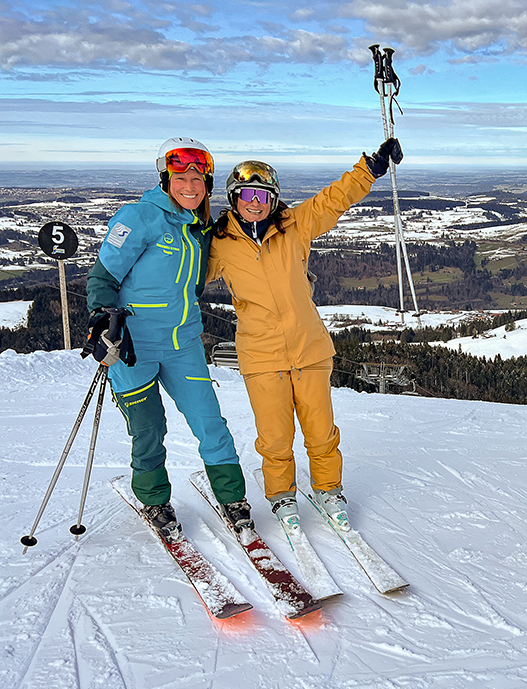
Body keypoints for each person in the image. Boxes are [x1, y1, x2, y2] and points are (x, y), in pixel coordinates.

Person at [207, 138, 403, 531]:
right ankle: (282, 496)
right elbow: (179, 275)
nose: (255, 201)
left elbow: (333, 200)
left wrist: (371, 167)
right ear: (233, 197)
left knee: (321, 432)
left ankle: (329, 490)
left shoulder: (295, 227)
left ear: (273, 198)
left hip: (309, 349)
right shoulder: (217, 244)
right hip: (261, 357)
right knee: (275, 438)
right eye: (246, 193)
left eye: (263, 194)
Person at [86, 137, 250, 538]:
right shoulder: (139, 218)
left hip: (185, 347)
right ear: (166, 178)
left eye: (198, 178)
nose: (190, 186)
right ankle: (155, 501)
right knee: (149, 430)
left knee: (210, 423)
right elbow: (103, 276)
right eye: (181, 177)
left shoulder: (201, 228)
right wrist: (103, 320)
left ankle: (233, 499)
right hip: (133, 350)